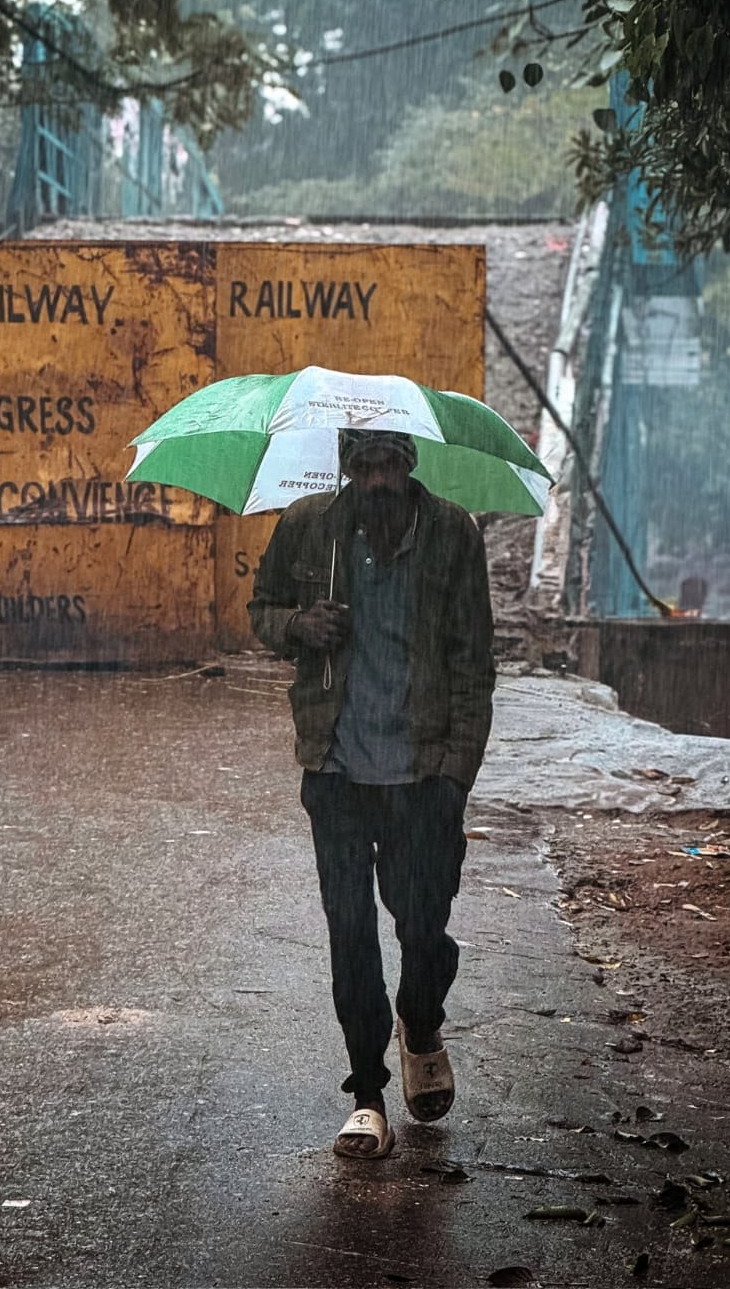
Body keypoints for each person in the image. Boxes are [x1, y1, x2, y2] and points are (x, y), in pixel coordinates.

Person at [248, 427, 495, 1160]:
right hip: (337, 772)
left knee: (422, 929)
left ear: (410, 463)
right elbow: (260, 610)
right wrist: (297, 624)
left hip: (423, 776)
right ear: (346, 468)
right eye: (364, 465)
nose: (377, 479)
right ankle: (367, 1094)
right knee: (349, 929)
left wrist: (456, 775)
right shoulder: (309, 529)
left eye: (389, 464)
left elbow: (475, 664)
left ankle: (420, 1022)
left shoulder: (453, 534)